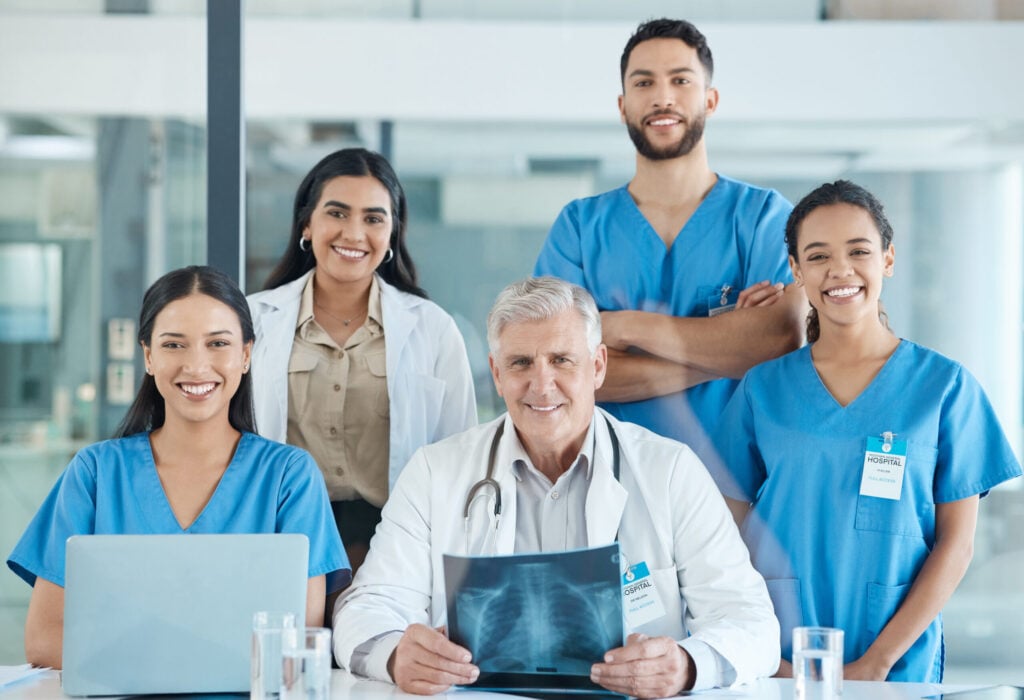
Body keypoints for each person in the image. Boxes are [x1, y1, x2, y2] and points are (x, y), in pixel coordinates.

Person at [333, 276, 779, 697]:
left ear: (597, 365)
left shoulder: (671, 470)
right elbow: (366, 607)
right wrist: (395, 655)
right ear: (497, 372)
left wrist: (685, 664)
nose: (542, 386)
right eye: (520, 363)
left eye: (562, 360)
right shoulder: (435, 471)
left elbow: (751, 623)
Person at [710, 180, 1022, 682]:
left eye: (859, 251)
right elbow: (720, 541)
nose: (840, 270)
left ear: (888, 260)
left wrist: (877, 663)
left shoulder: (944, 388)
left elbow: (956, 546)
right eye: (818, 256)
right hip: (780, 654)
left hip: (896, 660)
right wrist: (761, 651)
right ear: (796, 270)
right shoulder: (762, 389)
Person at [7, 265, 349, 669]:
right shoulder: (95, 474)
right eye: (174, 345)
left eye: (217, 343)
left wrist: (139, 657)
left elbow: (295, 642)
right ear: (148, 357)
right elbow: (45, 639)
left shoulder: (289, 478)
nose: (196, 366)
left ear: (245, 355)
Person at [534, 18, 805, 454]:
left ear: (710, 99)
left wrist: (620, 327)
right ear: (622, 105)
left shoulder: (762, 217)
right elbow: (559, 369)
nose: (662, 97)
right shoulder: (580, 227)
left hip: (734, 490)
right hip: (610, 484)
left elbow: (780, 339)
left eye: (681, 80)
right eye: (644, 83)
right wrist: (727, 352)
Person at [247, 148, 477, 574]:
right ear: (306, 223)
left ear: (392, 233)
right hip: (284, 535)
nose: (354, 233)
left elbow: (460, 455)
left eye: (373, 218)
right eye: (337, 213)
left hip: (396, 543)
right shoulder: (254, 321)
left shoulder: (433, 329)